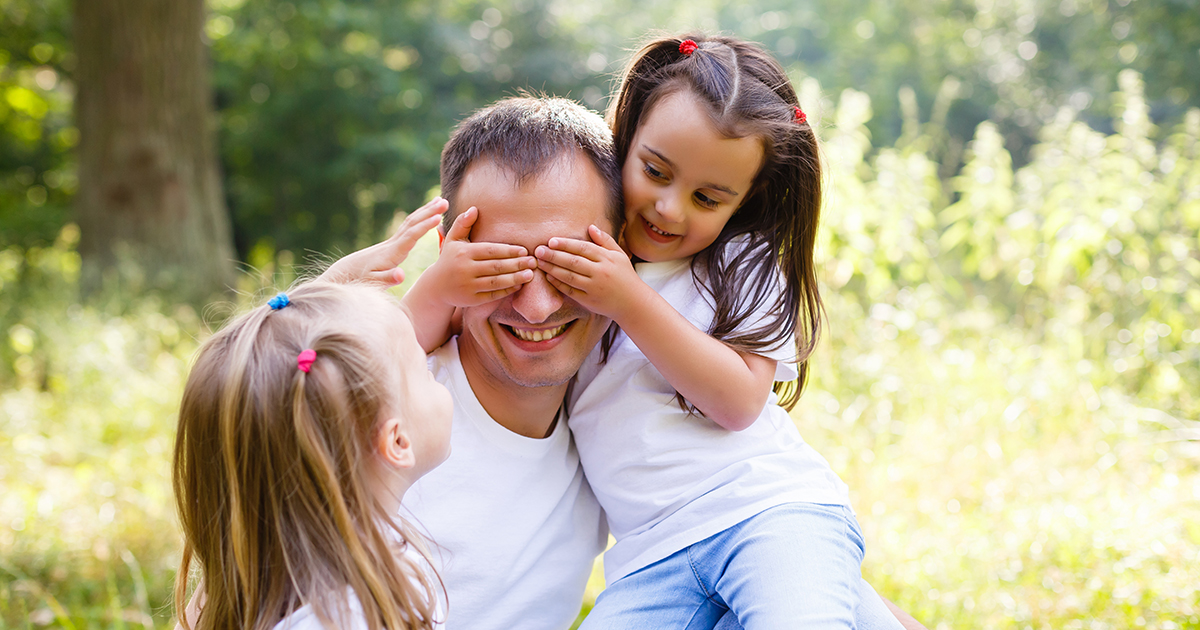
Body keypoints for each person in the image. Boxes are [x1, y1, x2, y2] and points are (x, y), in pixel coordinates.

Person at [329, 94, 925, 630]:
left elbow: (764, 504)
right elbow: (307, 372)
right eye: (503, 268)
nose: (536, 307)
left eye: (569, 265)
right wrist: (356, 297)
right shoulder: (401, 397)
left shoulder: (641, 328)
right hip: (663, 561)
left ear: (617, 251)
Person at [521, 34, 901, 629]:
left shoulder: (739, 263)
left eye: (706, 197)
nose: (670, 208)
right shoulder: (584, 268)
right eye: (655, 171)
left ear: (745, 201)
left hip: (767, 514)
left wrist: (628, 300)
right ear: (625, 137)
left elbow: (738, 401)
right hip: (651, 558)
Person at [172, 281, 451, 630]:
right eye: (424, 371)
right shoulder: (358, 614)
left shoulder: (250, 592)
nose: (433, 368)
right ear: (397, 442)